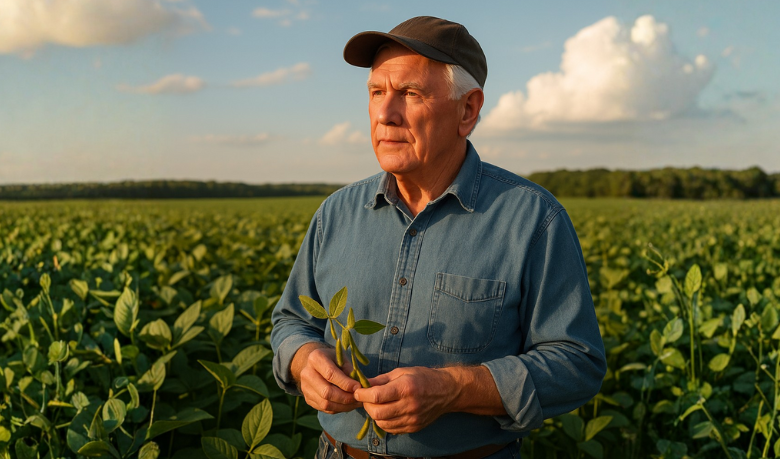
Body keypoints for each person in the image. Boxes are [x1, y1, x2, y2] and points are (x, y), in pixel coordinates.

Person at [271, 16, 606, 459]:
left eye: (410, 94)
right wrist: (302, 359)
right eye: (376, 92)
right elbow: (291, 320)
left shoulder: (533, 218)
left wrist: (454, 389)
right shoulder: (336, 213)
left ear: (467, 110)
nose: (385, 114)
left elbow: (577, 361)